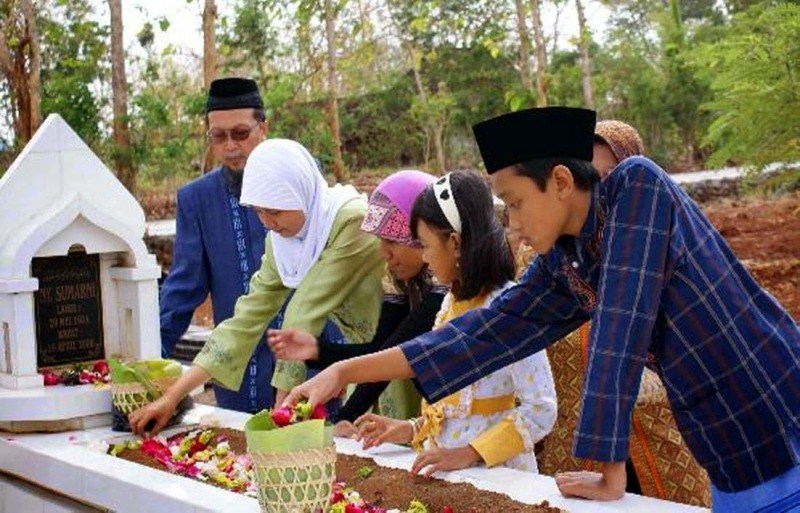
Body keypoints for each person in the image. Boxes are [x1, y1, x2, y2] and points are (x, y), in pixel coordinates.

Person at [285, 107, 800, 511]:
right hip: (721, 440)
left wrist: (609, 464)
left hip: (776, 408)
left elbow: (621, 326)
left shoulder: (638, 188)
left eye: (515, 203)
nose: (511, 224)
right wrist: (342, 370)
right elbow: (480, 333)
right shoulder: (566, 261)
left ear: (558, 181)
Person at [130, 138, 384, 435]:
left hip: (398, 349)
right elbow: (245, 320)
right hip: (363, 360)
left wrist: (282, 415)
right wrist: (171, 398)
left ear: (300, 193)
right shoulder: (283, 241)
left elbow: (305, 310)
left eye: (275, 211)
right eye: (259, 212)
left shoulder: (352, 221)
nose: (267, 223)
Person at [535, 119, 711, 507]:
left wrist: (629, 379)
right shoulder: (550, 252)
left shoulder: (667, 245)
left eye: (612, 176)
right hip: (577, 435)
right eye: (591, 180)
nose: (603, 192)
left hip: (655, 430)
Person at [354, 170, 556, 475]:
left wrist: (469, 453)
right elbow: (459, 411)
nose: (423, 258)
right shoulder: (450, 303)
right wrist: (409, 429)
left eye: (424, 245)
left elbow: (541, 409)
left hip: (497, 477)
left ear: (455, 243)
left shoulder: (510, 310)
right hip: (450, 472)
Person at [268, 170, 448, 433]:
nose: (383, 253)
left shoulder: (447, 283)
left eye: (391, 241)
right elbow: (381, 348)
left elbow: (395, 356)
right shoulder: (399, 277)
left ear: (422, 236)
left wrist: (345, 415)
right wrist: (319, 351)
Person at [158, 77, 272, 412]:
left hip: (310, 362)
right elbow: (184, 287)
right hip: (238, 369)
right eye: (218, 136)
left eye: (240, 133)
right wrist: (152, 356)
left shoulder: (303, 180)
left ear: (263, 128)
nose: (230, 146)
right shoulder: (197, 199)